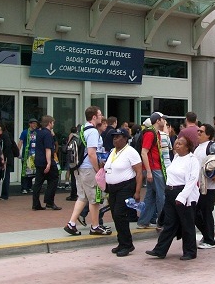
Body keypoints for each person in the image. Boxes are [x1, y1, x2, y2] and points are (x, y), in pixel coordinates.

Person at [145, 136, 200, 261]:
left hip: (183, 194)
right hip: (170, 193)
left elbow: (192, 180)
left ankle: (190, 251)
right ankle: (160, 250)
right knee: (169, 223)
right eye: (176, 143)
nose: (177, 145)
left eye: (181, 144)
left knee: (187, 224)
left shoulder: (192, 160)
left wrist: (182, 196)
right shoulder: (176, 157)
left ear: (187, 147)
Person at [64, 106, 112, 236]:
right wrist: (98, 170)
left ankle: (71, 223)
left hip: (79, 169)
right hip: (88, 169)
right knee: (95, 199)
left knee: (82, 197)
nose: (101, 117)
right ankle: (95, 226)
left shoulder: (82, 129)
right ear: (94, 117)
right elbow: (92, 153)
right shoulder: (93, 132)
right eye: (100, 115)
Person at [104, 128, 142, 257]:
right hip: (112, 188)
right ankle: (121, 242)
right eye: (114, 136)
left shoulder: (131, 152)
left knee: (120, 214)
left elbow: (138, 172)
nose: (115, 138)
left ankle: (127, 244)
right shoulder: (113, 151)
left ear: (125, 139)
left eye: (118, 136)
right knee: (115, 215)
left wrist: (137, 192)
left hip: (125, 187)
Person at [137, 112, 167, 229]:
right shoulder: (151, 133)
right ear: (158, 120)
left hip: (153, 168)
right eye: (163, 119)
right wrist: (149, 171)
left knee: (151, 195)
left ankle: (143, 221)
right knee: (161, 195)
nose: (164, 121)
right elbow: (144, 152)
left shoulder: (153, 133)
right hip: (154, 169)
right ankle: (163, 221)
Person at [32, 115, 62, 211]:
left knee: (38, 183)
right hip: (46, 160)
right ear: (49, 123)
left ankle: (35, 203)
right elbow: (48, 149)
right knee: (54, 178)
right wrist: (49, 163)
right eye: (52, 123)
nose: (53, 124)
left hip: (38, 160)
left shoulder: (39, 133)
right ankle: (49, 201)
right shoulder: (47, 134)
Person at [0, 122, 13, 200]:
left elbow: (7, 148)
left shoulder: (5, 136)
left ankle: (4, 194)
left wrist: (4, 160)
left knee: (4, 176)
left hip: (5, 160)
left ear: (0, 128)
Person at [18, 118, 39, 194]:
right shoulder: (25, 132)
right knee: (24, 172)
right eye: (33, 123)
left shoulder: (37, 132)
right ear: (30, 124)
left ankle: (29, 187)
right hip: (26, 155)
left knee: (32, 171)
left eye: (36, 124)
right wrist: (18, 152)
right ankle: (24, 187)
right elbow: (20, 142)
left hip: (35, 155)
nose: (35, 125)